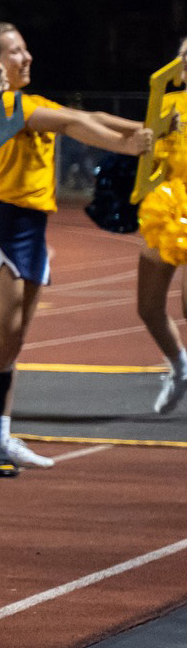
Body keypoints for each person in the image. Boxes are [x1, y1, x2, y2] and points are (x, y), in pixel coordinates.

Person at [0, 22, 153, 474]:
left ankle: (0, 433)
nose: (26, 58)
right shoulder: (3, 106)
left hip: (32, 228)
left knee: (15, 342)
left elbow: (92, 118)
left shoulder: (31, 101)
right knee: (1, 338)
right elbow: (72, 124)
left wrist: (146, 131)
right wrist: (129, 145)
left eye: (26, 50)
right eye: (15, 52)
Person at [139, 38, 187, 414]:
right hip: (168, 211)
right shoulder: (167, 105)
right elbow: (147, 164)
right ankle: (180, 366)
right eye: (182, 55)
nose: (183, 61)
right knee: (149, 306)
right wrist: (158, 132)